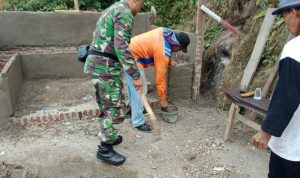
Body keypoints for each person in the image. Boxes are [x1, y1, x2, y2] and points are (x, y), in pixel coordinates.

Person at [84, 0, 144, 166]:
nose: (139, 9)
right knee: (116, 109)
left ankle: (109, 135)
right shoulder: (124, 12)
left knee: (106, 106)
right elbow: (121, 47)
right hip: (106, 68)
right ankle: (105, 149)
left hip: (95, 65)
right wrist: (135, 74)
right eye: (141, 4)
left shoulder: (112, 9)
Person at [251, 0, 300, 177]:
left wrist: (266, 131)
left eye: (285, 15)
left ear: (295, 11)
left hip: (292, 145)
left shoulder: (295, 49)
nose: (285, 22)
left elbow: (287, 96)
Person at [125, 27, 190, 132]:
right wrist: (163, 99)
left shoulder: (167, 33)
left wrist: (169, 61)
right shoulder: (163, 51)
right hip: (132, 55)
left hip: (130, 48)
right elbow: (160, 79)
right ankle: (138, 122)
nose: (178, 51)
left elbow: (157, 47)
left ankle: (134, 109)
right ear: (176, 45)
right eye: (179, 49)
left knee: (135, 86)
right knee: (141, 88)